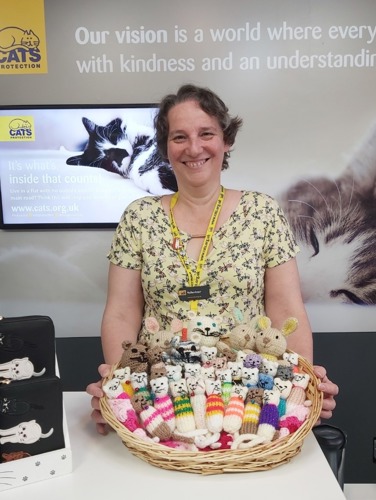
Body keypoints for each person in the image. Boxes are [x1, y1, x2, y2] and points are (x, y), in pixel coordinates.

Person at [87, 83, 338, 434]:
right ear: (165, 147)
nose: (194, 148)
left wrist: (298, 388)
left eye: (206, 133)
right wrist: (125, 393)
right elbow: (121, 312)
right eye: (179, 137)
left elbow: (287, 310)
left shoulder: (262, 212)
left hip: (249, 391)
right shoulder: (139, 218)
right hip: (165, 394)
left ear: (226, 140)